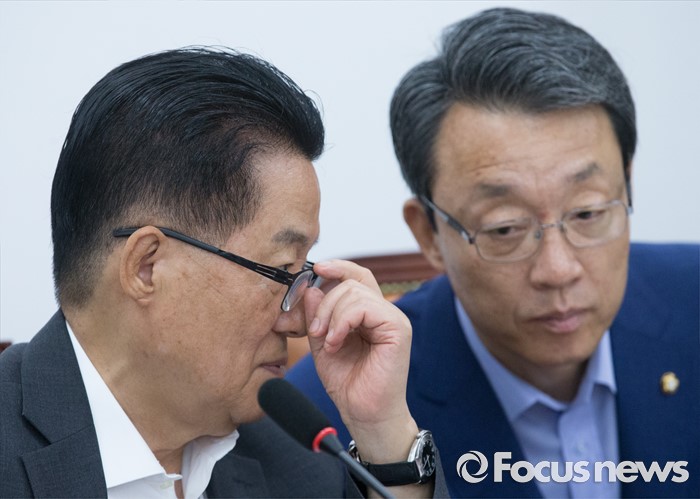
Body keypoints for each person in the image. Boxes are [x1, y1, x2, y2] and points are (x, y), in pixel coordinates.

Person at [0, 47, 449, 498]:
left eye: (304, 272)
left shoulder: (297, 466)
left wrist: (382, 433)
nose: (299, 321)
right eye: (282, 271)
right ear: (147, 267)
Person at [287, 7, 700, 498]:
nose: (558, 270)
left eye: (588, 212)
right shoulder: (328, 418)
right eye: (505, 228)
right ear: (428, 233)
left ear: (627, 186)